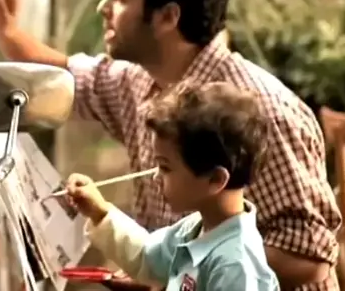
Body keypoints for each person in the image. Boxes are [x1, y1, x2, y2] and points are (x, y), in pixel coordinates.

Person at [0, 0, 342, 290]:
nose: (103, 8)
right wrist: (4, 28)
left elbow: (310, 257)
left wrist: (186, 274)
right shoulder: (136, 81)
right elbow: (59, 78)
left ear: (167, 16)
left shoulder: (265, 112)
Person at [65, 81, 280, 291]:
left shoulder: (235, 267)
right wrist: (99, 211)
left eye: (165, 167)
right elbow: (148, 257)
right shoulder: (197, 227)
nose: (156, 176)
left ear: (215, 179)